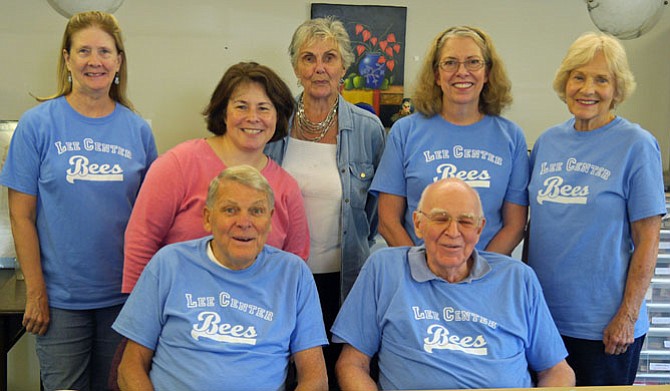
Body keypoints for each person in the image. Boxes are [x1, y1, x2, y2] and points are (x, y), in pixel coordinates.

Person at [0, 11, 157, 390]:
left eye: (104, 51)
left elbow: (150, 219)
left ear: (118, 61)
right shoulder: (37, 125)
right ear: (67, 59)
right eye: (83, 50)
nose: (94, 61)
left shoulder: (137, 130)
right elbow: (21, 216)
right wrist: (36, 292)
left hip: (123, 299)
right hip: (59, 300)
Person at [332, 178, 575, 389]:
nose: (453, 232)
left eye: (466, 222)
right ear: (418, 224)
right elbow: (352, 363)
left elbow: (557, 371)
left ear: (479, 229)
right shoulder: (384, 269)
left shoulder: (517, 278)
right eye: (440, 218)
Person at [526, 31, 666, 386]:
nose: (587, 88)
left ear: (617, 89)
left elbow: (648, 239)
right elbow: (535, 229)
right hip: (543, 322)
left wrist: (628, 316)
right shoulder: (546, 143)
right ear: (565, 82)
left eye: (601, 79)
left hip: (605, 330)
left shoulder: (637, 145)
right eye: (579, 76)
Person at [113, 165, 328, 390]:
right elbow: (130, 366)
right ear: (208, 217)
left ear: (270, 219)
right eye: (230, 210)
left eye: (256, 211)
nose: (244, 222)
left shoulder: (294, 274)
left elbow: (315, 379)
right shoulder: (169, 263)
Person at [264, 16, 386, 388]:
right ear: (296, 67)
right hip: (279, 277)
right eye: (309, 58)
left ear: (344, 66)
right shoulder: (273, 122)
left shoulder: (369, 129)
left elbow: (376, 213)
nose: (319, 68)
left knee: (335, 372)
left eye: (329, 57)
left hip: (344, 281)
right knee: (281, 369)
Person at [122, 61, 309, 293]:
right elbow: (141, 240)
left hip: (257, 322)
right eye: (241, 106)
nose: (253, 117)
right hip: (179, 317)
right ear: (223, 112)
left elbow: (295, 267)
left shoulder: (287, 188)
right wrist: (139, 312)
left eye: (264, 108)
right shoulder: (178, 165)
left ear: (278, 116)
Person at [370, 26, 529, 256]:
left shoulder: (512, 137)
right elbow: (388, 221)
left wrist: (480, 274)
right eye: (450, 62)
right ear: (436, 74)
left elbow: (514, 226)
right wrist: (422, 269)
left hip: (485, 280)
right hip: (417, 278)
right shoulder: (405, 132)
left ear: (487, 73)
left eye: (473, 62)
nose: (462, 72)